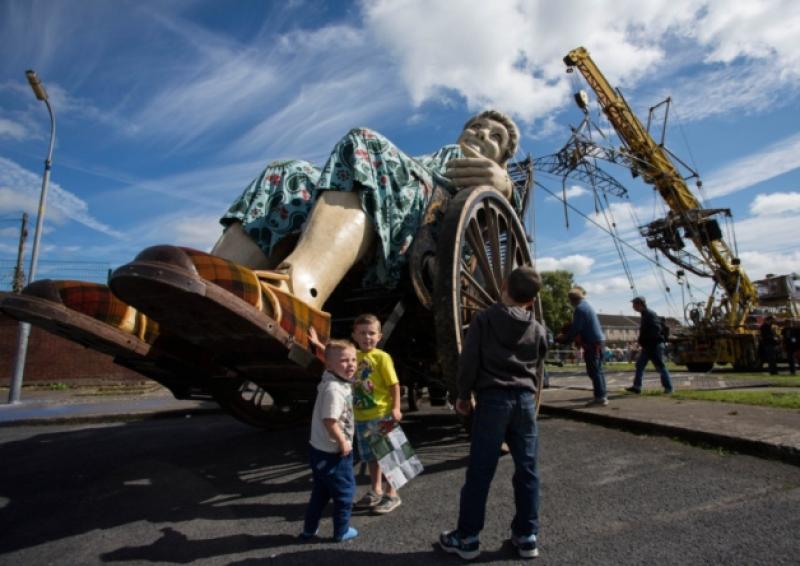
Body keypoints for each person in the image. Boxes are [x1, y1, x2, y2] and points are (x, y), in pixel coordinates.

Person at [215, 109, 521, 310]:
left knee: (364, 146)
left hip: (424, 243)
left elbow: (510, 222)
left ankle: (298, 292)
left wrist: (506, 186)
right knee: (287, 173)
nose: (482, 133)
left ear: (503, 159)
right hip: (389, 202)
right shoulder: (426, 161)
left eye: (496, 137)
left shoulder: (492, 186)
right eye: (477, 126)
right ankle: (216, 280)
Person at [438, 266, 547, 561]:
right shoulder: (537, 328)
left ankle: (468, 537)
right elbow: (539, 365)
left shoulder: (485, 320)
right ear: (532, 299)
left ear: (503, 286)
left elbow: (469, 360)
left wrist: (463, 395)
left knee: (480, 471)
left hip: (493, 400)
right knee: (527, 470)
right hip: (524, 401)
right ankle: (527, 536)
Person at [301, 339, 359, 542]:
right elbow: (330, 420)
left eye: (353, 359)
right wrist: (343, 442)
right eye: (344, 360)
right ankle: (341, 531)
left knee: (320, 493)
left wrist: (319, 344)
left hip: (319, 450)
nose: (351, 364)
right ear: (330, 365)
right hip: (333, 452)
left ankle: (309, 530)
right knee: (345, 492)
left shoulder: (331, 380)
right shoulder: (335, 390)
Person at [350, 314, 403, 514]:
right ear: (354, 335)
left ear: (379, 336)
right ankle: (376, 490)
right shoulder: (354, 355)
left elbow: (394, 384)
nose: (367, 337)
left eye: (372, 333)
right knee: (372, 458)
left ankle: (392, 494)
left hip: (382, 414)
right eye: (362, 333)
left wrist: (396, 409)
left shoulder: (382, 357)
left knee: (389, 456)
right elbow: (335, 359)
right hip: (362, 416)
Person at [557, 287, 608, 406]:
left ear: (572, 299)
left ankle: (600, 397)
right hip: (599, 341)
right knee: (598, 371)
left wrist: (564, 339)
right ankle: (602, 395)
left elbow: (576, 328)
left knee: (594, 371)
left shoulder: (580, 309)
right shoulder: (587, 306)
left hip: (592, 343)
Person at [625, 296, 673, 394]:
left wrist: (644, 341)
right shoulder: (646, 314)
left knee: (660, 367)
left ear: (640, 304)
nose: (633, 307)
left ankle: (668, 388)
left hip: (654, 345)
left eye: (634, 305)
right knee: (640, 365)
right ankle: (637, 387)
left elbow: (654, 330)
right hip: (649, 346)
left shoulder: (648, 315)